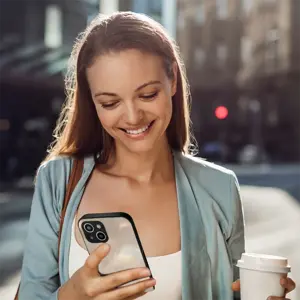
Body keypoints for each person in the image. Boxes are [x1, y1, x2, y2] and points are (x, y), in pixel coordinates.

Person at [19, 11, 295, 300]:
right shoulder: (58, 181)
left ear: (172, 79)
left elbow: (234, 293)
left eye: (147, 95)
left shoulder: (220, 189)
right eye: (110, 102)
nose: (132, 116)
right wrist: (71, 295)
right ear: (92, 101)